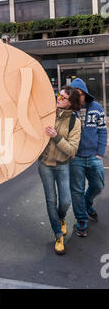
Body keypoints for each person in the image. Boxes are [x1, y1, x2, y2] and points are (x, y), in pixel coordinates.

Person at [38, 86, 81, 255]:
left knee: (65, 201)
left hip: (62, 165)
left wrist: (56, 136)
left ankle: (61, 217)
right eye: (58, 95)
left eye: (63, 98)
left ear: (71, 103)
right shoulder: (48, 113)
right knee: (50, 200)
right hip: (44, 164)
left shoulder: (74, 122)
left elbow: (72, 150)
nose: (58, 99)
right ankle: (58, 235)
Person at [69, 78, 107, 237]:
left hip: (93, 156)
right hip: (75, 157)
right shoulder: (69, 110)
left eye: (77, 94)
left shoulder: (97, 108)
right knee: (76, 190)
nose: (75, 97)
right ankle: (81, 219)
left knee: (98, 185)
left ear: (83, 93)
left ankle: (87, 203)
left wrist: (99, 152)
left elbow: (103, 131)